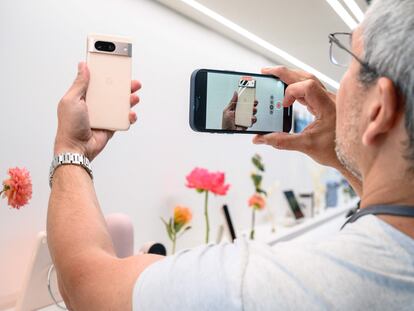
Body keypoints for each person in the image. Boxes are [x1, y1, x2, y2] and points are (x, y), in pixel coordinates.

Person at [47, 0, 414, 310]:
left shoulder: (257, 286)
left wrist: (71, 149)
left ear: (379, 108)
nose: (338, 86)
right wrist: (341, 152)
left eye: (349, 62)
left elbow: (85, 287)